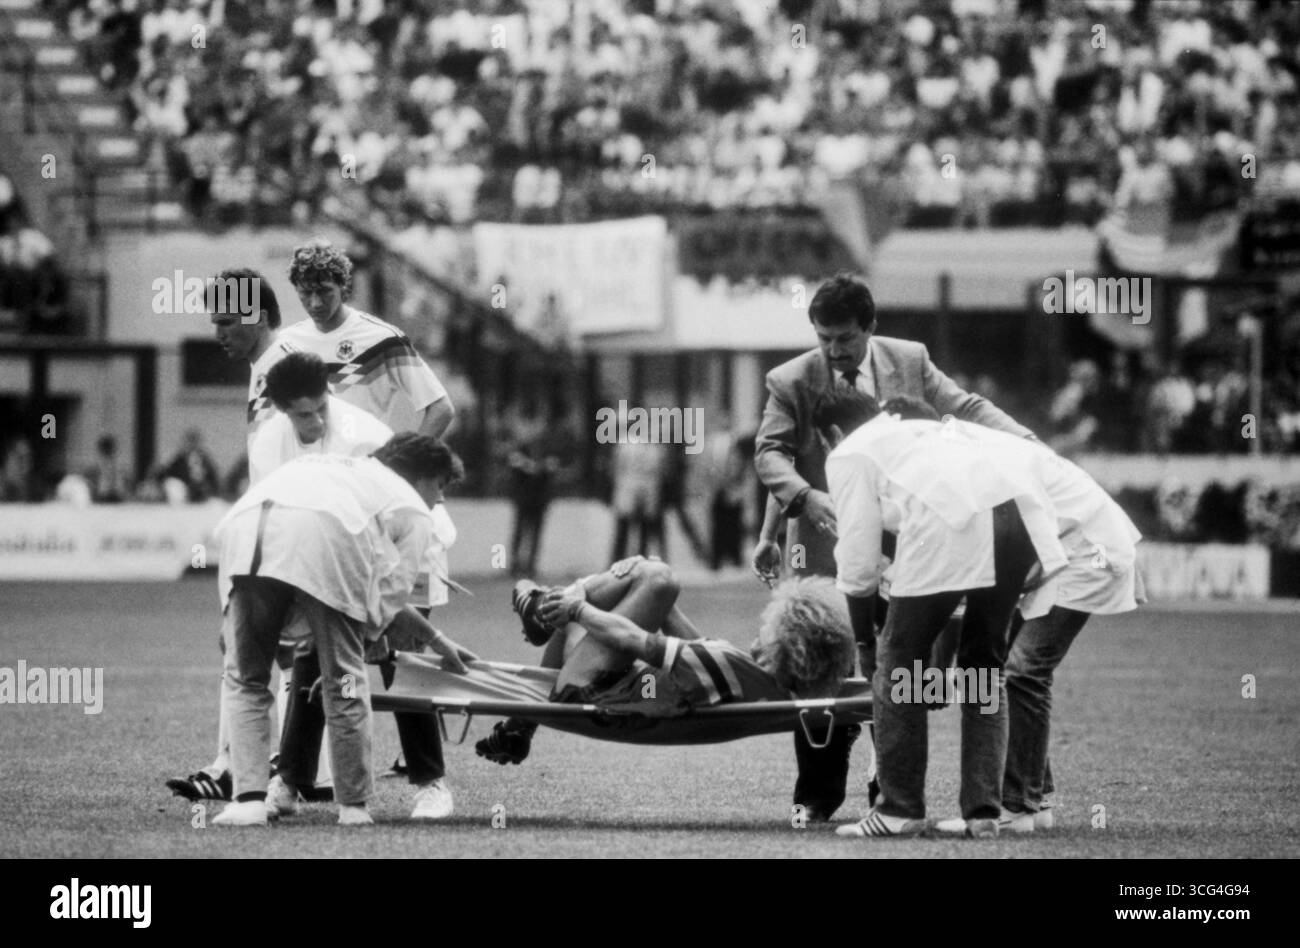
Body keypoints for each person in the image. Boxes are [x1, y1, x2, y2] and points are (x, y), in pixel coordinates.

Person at [752, 272, 1035, 822]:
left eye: (846, 340)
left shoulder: (911, 359)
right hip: (824, 544)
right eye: (824, 339)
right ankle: (817, 797)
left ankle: (897, 786)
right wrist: (805, 502)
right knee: (824, 670)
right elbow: (770, 456)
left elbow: (967, 406)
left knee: (905, 665)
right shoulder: (790, 380)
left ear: (871, 329)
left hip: (912, 544)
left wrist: (1027, 443)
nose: (834, 352)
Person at [817, 389, 1068, 839]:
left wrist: (864, 640)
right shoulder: (926, 430)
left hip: (954, 526)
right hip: (1018, 519)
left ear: (832, 433)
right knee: (983, 669)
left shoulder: (849, 452)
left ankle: (899, 810)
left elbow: (857, 560)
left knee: (899, 665)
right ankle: (983, 814)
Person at [211, 435, 478, 827]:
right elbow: (389, 595)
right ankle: (353, 808)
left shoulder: (332, 468)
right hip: (326, 543)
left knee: (246, 678)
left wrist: (228, 616)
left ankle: (250, 800)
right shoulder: (411, 509)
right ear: (421, 477)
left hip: (245, 530)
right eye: (440, 486)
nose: (440, 500)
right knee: (345, 682)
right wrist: (363, 641)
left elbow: (373, 592)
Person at [280, 237, 458, 806]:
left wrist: (397, 471)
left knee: (402, 652)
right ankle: (291, 783)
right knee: (315, 643)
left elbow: (441, 408)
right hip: (325, 516)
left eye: (324, 290)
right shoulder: (287, 345)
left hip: (383, 514)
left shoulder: (381, 339)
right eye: (304, 291)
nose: (313, 301)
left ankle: (431, 784)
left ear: (345, 287)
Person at [506, 419, 560, 577]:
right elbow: (515, 467)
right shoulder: (522, 449)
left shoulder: (547, 449)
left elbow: (552, 468)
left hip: (539, 498)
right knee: (520, 532)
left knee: (535, 533)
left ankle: (531, 565)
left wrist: (532, 467)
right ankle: (515, 565)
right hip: (524, 498)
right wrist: (535, 467)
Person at [161, 429, 221, 502]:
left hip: (201, 488)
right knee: (172, 484)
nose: (192, 445)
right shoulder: (179, 457)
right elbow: (167, 472)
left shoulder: (204, 458)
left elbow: (213, 475)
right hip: (184, 487)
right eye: (190, 442)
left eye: (195, 442)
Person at [87, 435, 130, 503]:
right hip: (104, 495)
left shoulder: (118, 464)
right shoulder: (98, 464)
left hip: (115, 495)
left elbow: (126, 480)